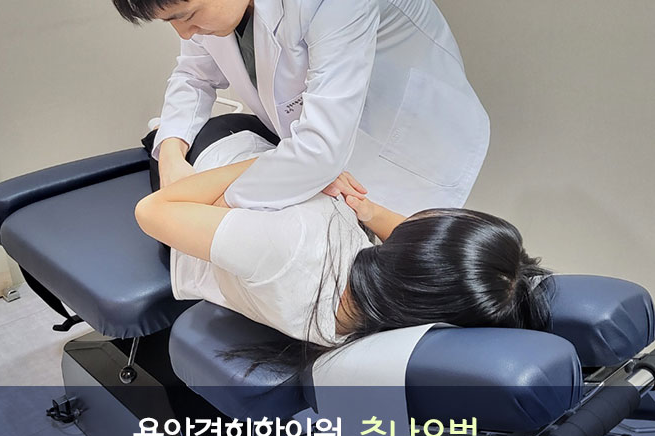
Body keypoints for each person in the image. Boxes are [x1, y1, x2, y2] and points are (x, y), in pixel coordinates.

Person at [101, 0, 490, 216]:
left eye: (186, 15)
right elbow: (194, 74)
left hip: (407, 139)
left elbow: (321, 150)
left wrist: (208, 207)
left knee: (398, 263)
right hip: (321, 147)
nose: (184, 33)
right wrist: (171, 154)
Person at [134, 129, 552, 372]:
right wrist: (367, 210)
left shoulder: (288, 246)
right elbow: (416, 246)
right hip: (253, 199)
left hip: (211, 166)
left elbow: (152, 211)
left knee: (171, 132)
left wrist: (283, 164)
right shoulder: (379, 312)